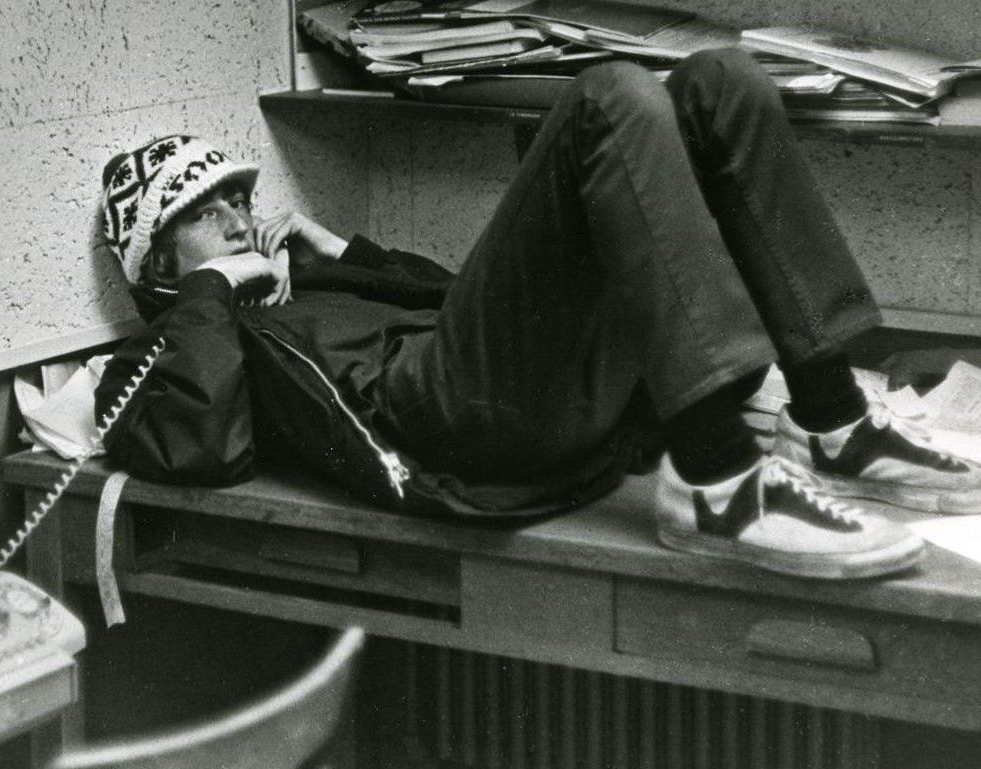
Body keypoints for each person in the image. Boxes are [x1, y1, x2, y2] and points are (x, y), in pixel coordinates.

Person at [93, 49, 981, 580]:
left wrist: (346, 257)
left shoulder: (305, 289)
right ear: (155, 261)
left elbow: (458, 298)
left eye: (239, 198)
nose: (241, 218)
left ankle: (836, 420)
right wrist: (208, 293)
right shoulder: (177, 347)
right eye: (206, 214)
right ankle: (719, 481)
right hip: (444, 424)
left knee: (719, 81)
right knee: (608, 97)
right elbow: (202, 445)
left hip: (500, 389)